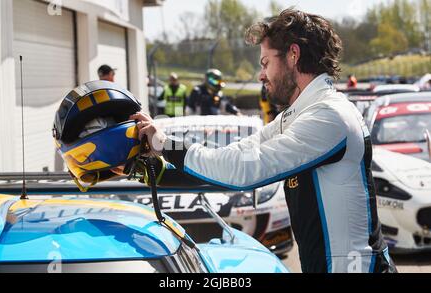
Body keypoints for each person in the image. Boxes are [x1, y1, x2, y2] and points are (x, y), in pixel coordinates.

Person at [129, 9, 397, 273]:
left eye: (265, 63)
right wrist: (156, 172)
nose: (261, 75)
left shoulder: (329, 116)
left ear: (293, 55)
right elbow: (233, 155)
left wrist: (166, 143)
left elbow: (244, 169)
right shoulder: (302, 112)